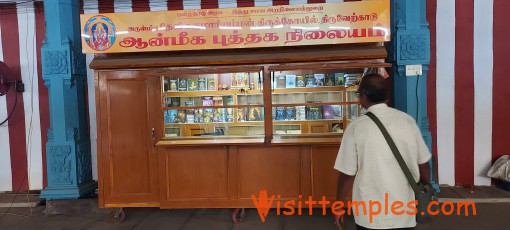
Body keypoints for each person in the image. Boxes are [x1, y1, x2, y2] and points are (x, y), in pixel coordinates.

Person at [334, 74, 431, 230]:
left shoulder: (356, 127)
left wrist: (339, 205)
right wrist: (426, 186)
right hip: (404, 211)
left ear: (363, 97)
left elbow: (347, 174)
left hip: (370, 214)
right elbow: (424, 164)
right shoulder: (407, 121)